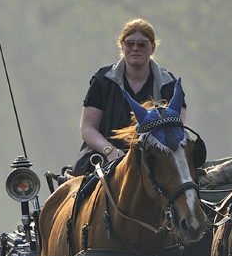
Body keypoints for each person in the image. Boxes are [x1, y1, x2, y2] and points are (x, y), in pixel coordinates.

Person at [71, 18, 187, 175]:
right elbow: (87, 128)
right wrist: (110, 151)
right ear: (122, 46)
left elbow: (179, 129)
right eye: (129, 43)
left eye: (142, 44)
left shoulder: (169, 84)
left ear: (152, 47)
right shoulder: (102, 80)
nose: (135, 48)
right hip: (104, 157)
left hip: (156, 159)